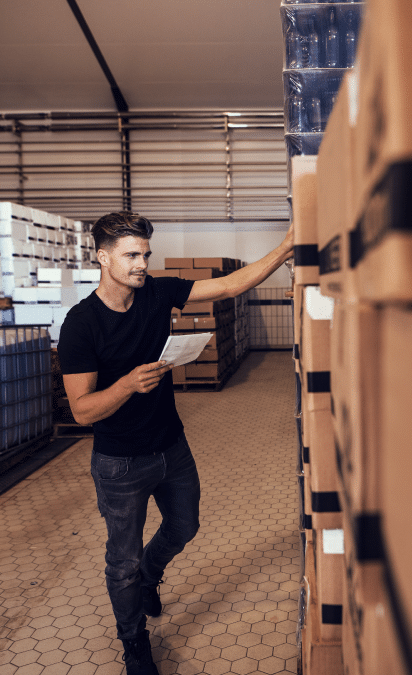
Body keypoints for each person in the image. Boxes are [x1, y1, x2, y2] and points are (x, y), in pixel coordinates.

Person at [57, 211, 294, 675]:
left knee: (184, 527)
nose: (142, 264)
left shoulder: (158, 292)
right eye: (131, 255)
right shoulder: (81, 324)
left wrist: (287, 247)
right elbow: (82, 410)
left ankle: (152, 573)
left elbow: (229, 285)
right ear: (103, 258)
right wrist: (126, 385)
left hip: (171, 446)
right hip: (119, 463)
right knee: (121, 563)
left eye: (145, 254)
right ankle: (134, 644)